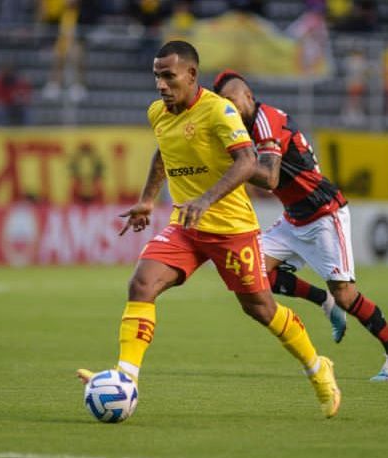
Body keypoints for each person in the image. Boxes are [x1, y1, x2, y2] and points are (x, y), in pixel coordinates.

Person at [76, 41, 341, 418]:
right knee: (141, 284)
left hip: (231, 228)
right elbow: (163, 151)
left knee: (260, 308)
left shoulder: (220, 111)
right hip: (186, 227)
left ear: (191, 75)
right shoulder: (158, 113)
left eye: (169, 76)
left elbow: (249, 161)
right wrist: (149, 200)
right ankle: (126, 378)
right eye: (157, 76)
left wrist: (206, 199)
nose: (161, 85)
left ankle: (318, 368)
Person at [213, 69, 388, 381]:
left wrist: (237, 168)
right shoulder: (238, 131)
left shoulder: (266, 119)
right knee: (252, 271)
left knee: (347, 295)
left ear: (248, 96)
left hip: (324, 214)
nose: (228, 106)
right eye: (222, 102)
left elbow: (270, 178)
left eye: (231, 99)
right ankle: (323, 299)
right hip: (294, 217)